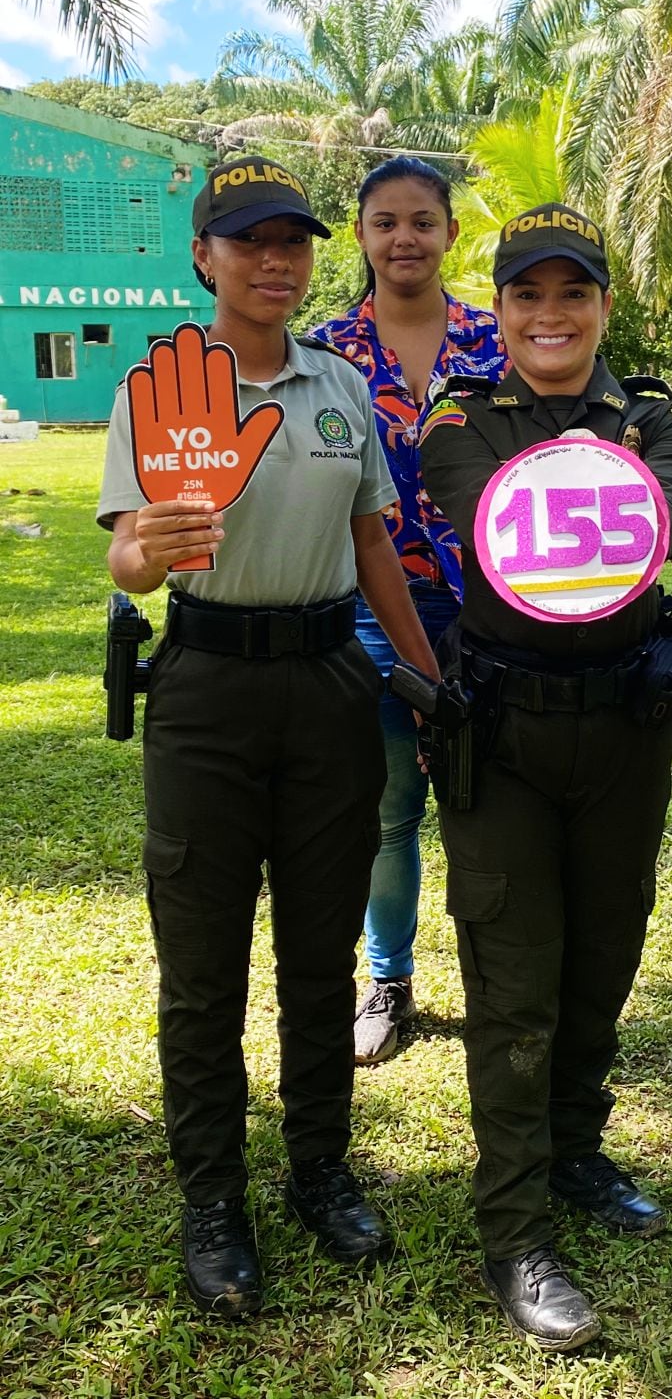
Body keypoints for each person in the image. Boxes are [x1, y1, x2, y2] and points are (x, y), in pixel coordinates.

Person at [98, 158, 442, 1318]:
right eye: (248, 241)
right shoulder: (159, 387)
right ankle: (214, 1204)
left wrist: (426, 678)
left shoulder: (341, 387)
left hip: (328, 682)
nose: (274, 260)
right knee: (202, 970)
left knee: (316, 956)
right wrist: (148, 544)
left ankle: (319, 1173)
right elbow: (126, 557)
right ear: (205, 255)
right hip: (203, 687)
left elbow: (374, 547)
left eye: (290, 240)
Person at [418, 203, 672, 1352]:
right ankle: (516, 1230)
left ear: (600, 304)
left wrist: (637, 474)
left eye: (572, 292)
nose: (550, 314)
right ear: (498, 311)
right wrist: (617, 474)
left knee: (606, 952)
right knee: (515, 977)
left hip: (625, 729)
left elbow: (670, 510)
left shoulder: (652, 413)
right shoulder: (460, 421)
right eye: (526, 295)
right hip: (508, 738)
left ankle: (577, 1148)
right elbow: (501, 516)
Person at [304, 157, 505, 1066]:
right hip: (363, 609)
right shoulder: (323, 350)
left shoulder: (499, 342)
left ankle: (502, 978)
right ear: (360, 235)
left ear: (451, 233)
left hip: (491, 609)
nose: (404, 239)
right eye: (384, 222)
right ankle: (387, 981)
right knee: (386, 811)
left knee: (492, 800)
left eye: (422, 221)